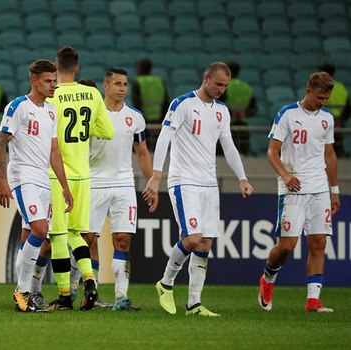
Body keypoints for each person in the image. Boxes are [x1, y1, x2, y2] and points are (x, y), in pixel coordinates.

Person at [143, 62, 254, 317]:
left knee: (205, 243)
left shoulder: (222, 111)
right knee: (192, 238)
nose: (222, 89)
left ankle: (194, 303)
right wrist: (156, 175)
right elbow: (164, 137)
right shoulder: (182, 104)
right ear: (206, 78)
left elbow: (228, 145)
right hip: (184, 180)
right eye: (218, 84)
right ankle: (166, 283)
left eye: (225, 86)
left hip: (208, 183)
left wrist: (242, 177)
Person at [258, 72, 340, 313]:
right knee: (287, 246)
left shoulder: (327, 118)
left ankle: (313, 300)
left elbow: (330, 155)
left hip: (319, 189)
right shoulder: (287, 114)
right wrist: (285, 175)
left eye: (326, 98)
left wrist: (334, 190)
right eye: (319, 97)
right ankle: (268, 279)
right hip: (292, 187)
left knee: (318, 242)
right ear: (308, 91)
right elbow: (272, 151)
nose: (323, 102)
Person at [0, 59, 73, 312]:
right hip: (22, 176)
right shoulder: (18, 107)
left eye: (54, 81)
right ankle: (23, 291)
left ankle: (24, 296)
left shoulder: (52, 111)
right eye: (48, 81)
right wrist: (2, 179)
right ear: (34, 81)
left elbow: (54, 151)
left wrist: (64, 186)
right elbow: (1, 142)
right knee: (41, 230)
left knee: (30, 234)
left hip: (42, 178)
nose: (53, 85)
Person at [44, 46, 115, 311]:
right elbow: (107, 131)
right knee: (77, 234)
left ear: (55, 65)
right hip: (83, 175)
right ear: (77, 68)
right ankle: (90, 280)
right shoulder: (93, 94)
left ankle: (64, 297)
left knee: (58, 236)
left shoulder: (52, 96)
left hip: (57, 175)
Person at [86, 68, 154, 311]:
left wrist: (152, 182)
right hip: (93, 183)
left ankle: (121, 296)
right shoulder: (92, 114)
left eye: (125, 84)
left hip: (124, 184)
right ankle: (89, 295)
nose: (122, 88)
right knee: (88, 239)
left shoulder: (135, 116)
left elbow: (142, 152)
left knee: (123, 239)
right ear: (105, 86)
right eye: (117, 83)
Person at [219, 61, 257, 154]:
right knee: (243, 160)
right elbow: (254, 109)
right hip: (242, 128)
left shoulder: (223, 87)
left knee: (222, 160)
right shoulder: (247, 88)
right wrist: (244, 113)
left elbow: (215, 105)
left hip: (225, 127)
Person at [131, 57, 169, 149]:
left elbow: (136, 105)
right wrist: (162, 122)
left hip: (143, 125)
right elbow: (166, 103)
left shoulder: (138, 82)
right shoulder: (159, 81)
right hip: (158, 124)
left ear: (139, 68)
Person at [318, 62, 349, 157]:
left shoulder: (319, 88)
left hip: (322, 123)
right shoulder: (341, 87)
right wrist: (339, 120)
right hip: (338, 124)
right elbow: (348, 109)